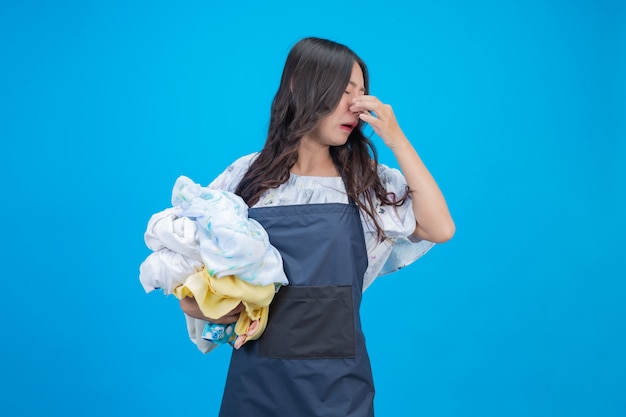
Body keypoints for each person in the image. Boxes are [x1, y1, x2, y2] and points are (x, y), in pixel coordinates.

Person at [179, 37, 455, 417]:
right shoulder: (246, 178)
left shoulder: (365, 182)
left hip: (339, 393)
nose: (355, 106)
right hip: (256, 390)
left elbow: (440, 227)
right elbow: (187, 278)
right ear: (298, 87)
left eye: (361, 94)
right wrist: (215, 306)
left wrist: (396, 138)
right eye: (344, 91)